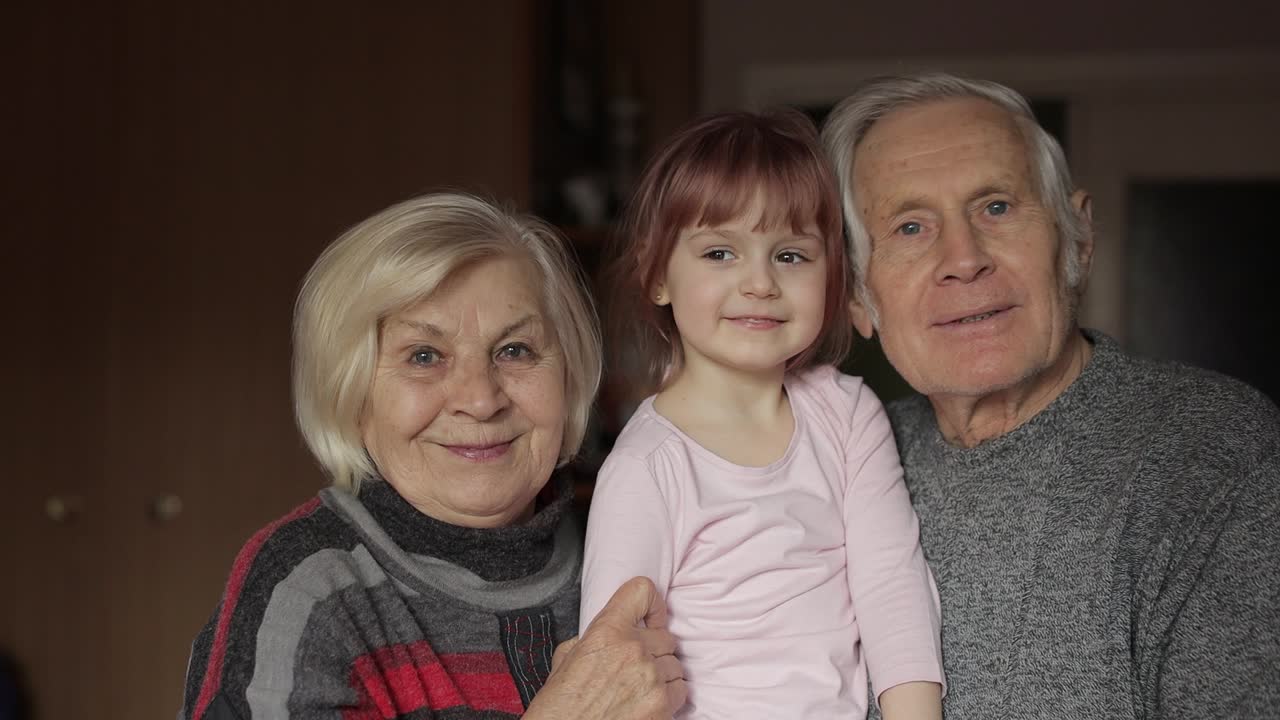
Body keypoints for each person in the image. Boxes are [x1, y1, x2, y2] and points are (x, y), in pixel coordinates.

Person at [821, 72, 1280, 719]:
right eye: (911, 227)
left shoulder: (1213, 452)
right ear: (856, 297)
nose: (964, 259)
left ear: (1078, 239)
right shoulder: (840, 459)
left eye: (996, 207)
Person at [179, 193, 687, 719]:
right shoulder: (308, 584)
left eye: (515, 350)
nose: (481, 400)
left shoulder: (640, 544)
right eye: (424, 356)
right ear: (352, 394)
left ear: (570, 376)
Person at [580, 110, 945, 719]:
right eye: (720, 252)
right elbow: (613, 663)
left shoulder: (848, 415)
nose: (760, 283)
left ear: (832, 276)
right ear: (657, 274)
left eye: (791, 256)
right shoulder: (647, 465)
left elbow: (892, 587)